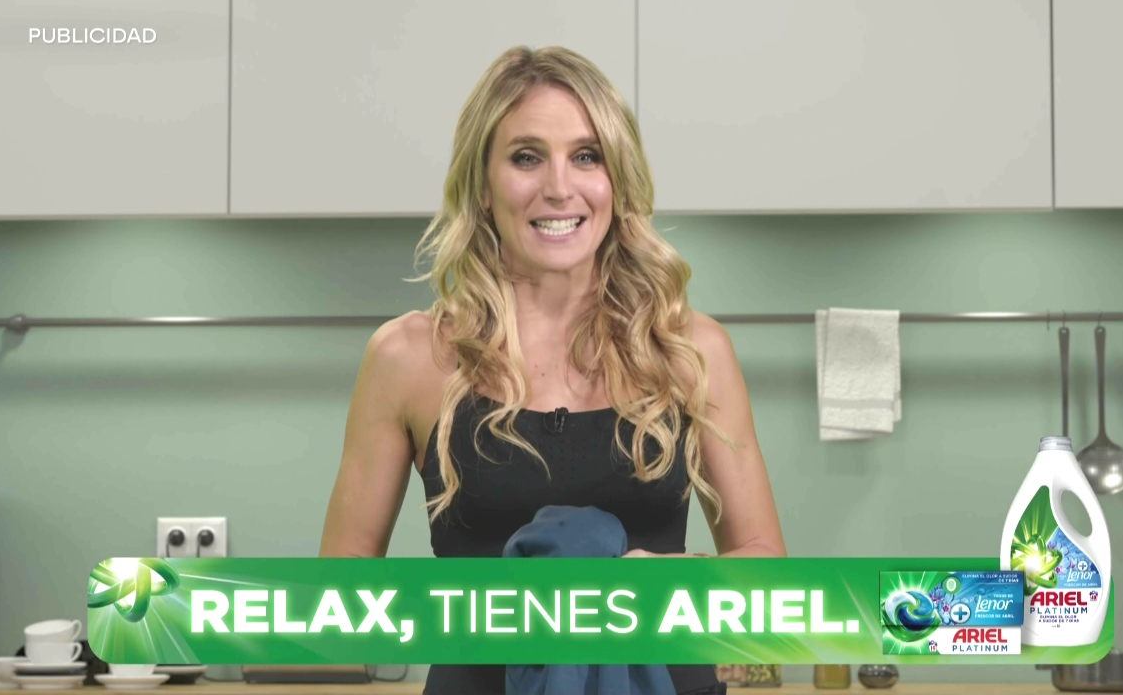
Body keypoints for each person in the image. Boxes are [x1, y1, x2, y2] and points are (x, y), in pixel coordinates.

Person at [319, 44, 786, 695]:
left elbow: (769, 578)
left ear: (616, 178)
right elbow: (338, 592)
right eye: (526, 157)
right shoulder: (407, 358)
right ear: (483, 186)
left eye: (586, 156)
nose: (560, 187)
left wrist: (681, 582)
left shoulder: (691, 351)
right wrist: (487, 607)